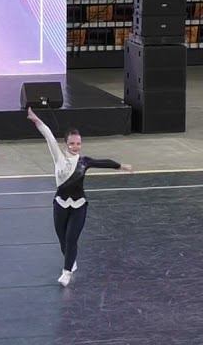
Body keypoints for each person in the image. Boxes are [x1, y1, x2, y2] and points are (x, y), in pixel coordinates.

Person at [26, 108, 133, 286]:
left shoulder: (84, 161)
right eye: (72, 143)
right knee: (62, 240)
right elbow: (48, 135)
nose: (75, 147)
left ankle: (66, 272)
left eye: (78, 143)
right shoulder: (58, 157)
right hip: (60, 205)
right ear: (66, 144)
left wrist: (121, 166)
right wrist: (36, 120)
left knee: (71, 239)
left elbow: (103, 162)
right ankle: (70, 260)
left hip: (79, 206)